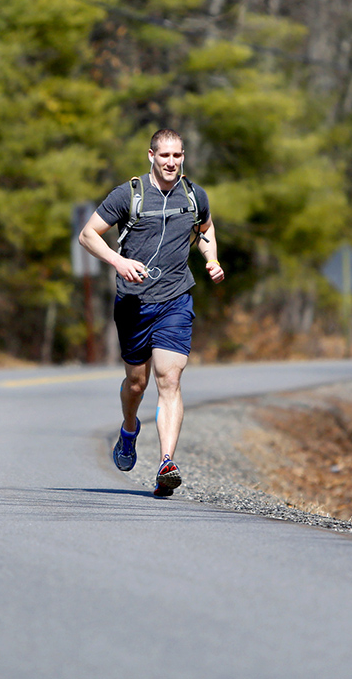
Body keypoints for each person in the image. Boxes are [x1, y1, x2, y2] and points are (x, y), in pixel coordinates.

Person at [78, 128, 224, 496]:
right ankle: (129, 430)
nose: (172, 163)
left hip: (176, 298)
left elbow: (205, 230)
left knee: (169, 380)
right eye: (165, 156)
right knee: (137, 383)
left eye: (178, 156)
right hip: (134, 302)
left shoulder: (194, 196)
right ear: (151, 156)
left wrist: (212, 259)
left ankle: (166, 463)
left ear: (183, 157)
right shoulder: (128, 194)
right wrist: (118, 261)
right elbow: (88, 234)